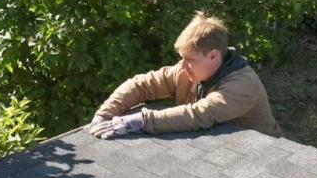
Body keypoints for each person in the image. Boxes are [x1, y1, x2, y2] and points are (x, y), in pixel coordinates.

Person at [87, 11, 281, 139]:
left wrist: (141, 120)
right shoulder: (187, 71)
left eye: (190, 59)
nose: (183, 65)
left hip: (264, 160)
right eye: (182, 58)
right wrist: (105, 114)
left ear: (213, 56)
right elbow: (141, 85)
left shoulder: (242, 86)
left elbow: (198, 114)